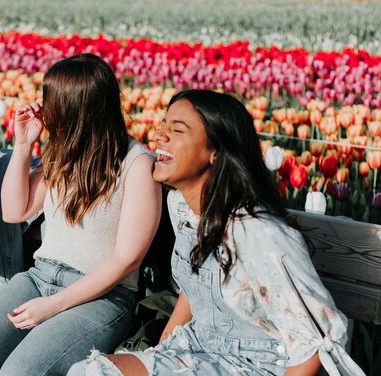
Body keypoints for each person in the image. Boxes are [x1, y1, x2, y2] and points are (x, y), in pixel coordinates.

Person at [68, 90, 365, 376]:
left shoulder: (258, 233)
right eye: (162, 125)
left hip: (256, 365)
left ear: (215, 151)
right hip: (198, 348)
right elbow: (195, 286)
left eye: (178, 129)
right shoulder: (181, 207)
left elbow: (315, 343)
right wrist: (161, 351)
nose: (159, 135)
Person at [0, 53, 162, 375]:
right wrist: (23, 145)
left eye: (49, 99)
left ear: (75, 108)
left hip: (102, 296)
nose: (42, 106)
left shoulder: (137, 164)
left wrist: (52, 306)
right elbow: (14, 211)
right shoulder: (63, 153)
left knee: (21, 372)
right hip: (39, 278)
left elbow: (127, 261)